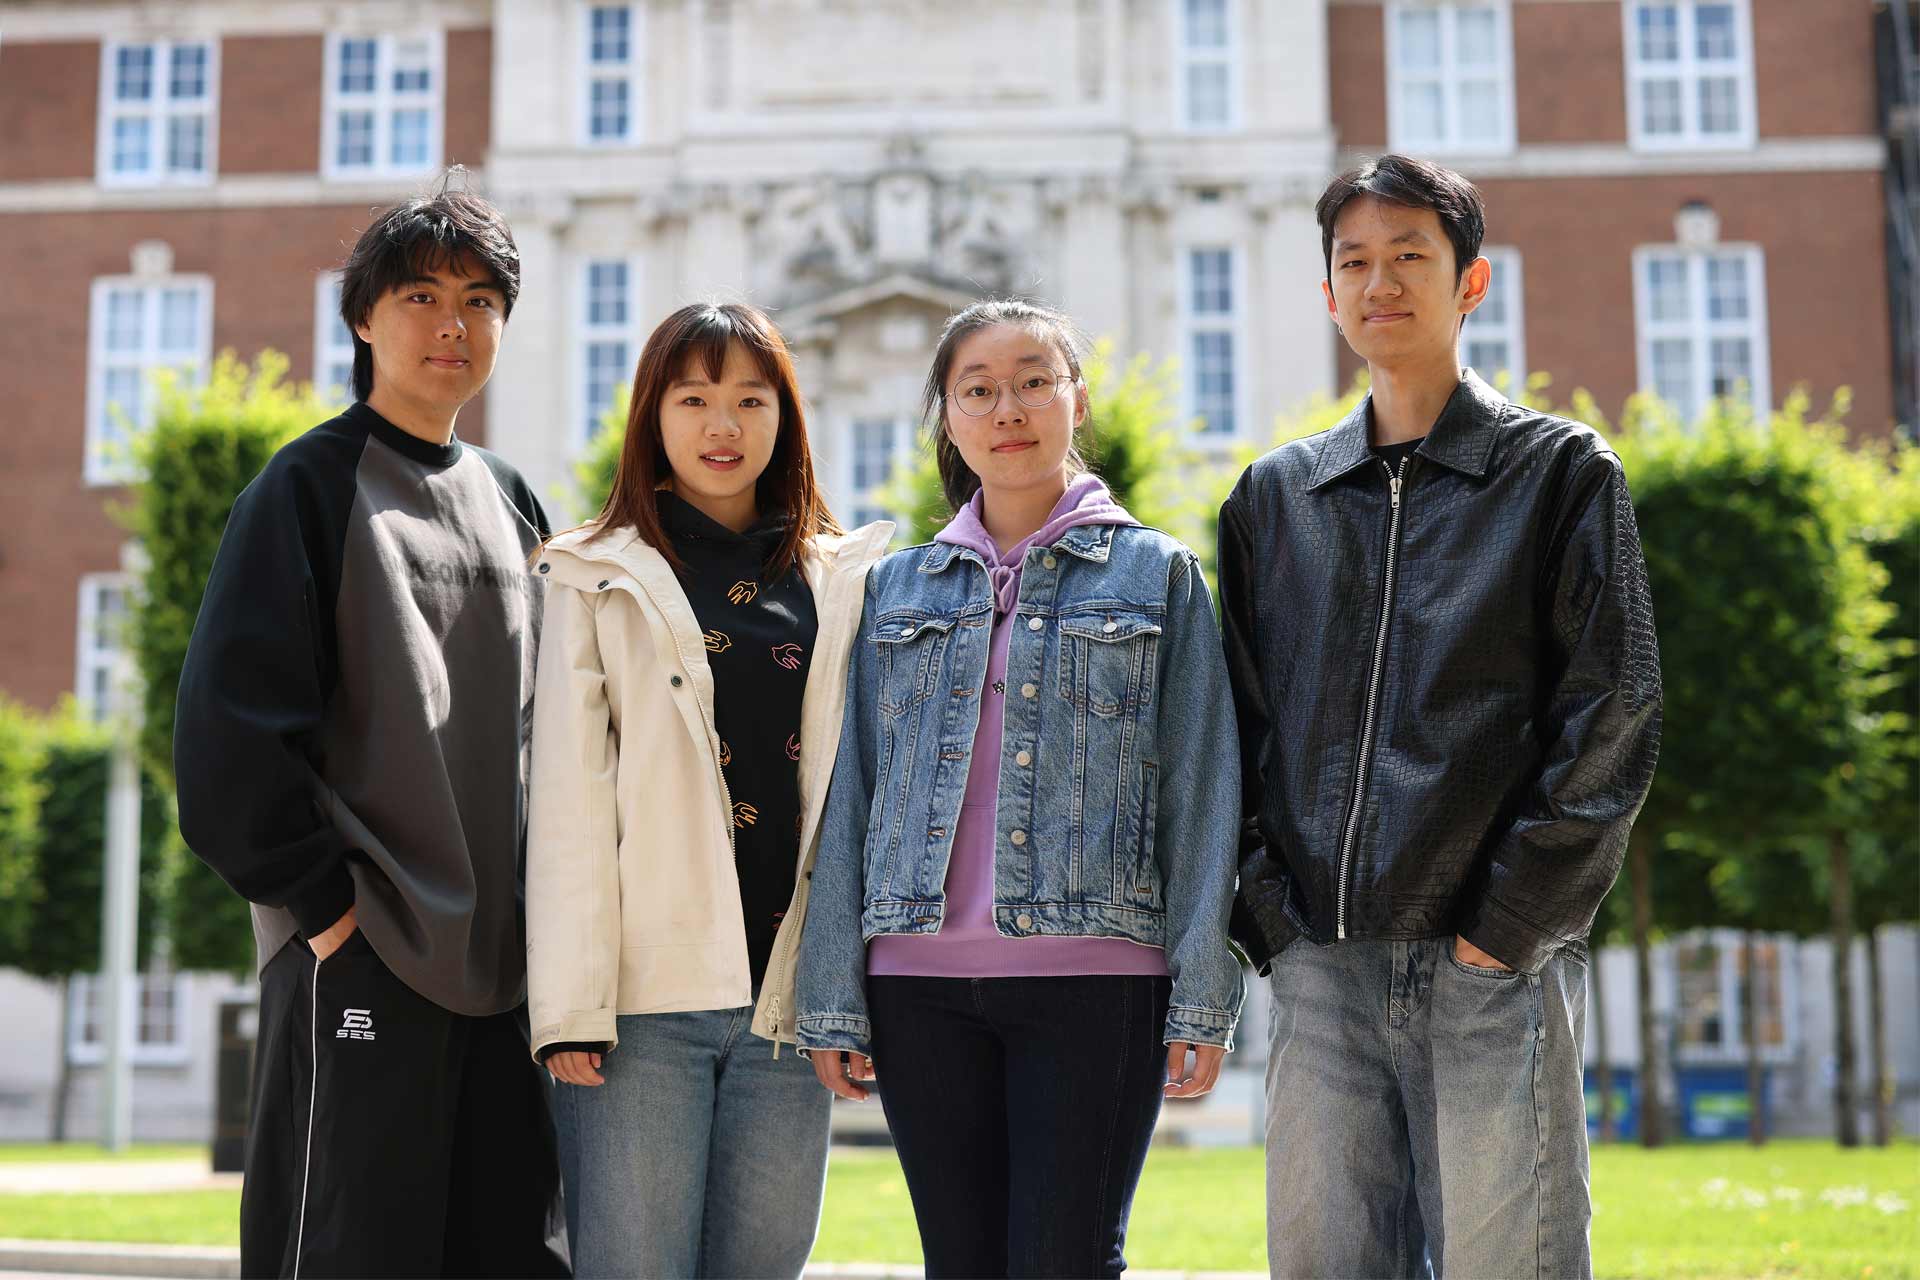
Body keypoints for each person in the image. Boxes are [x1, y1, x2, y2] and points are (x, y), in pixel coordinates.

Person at [1222, 153, 1662, 1279]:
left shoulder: (1558, 472)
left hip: (1490, 961)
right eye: (1354, 262)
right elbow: (1238, 728)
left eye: (1410, 256)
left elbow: (1614, 711)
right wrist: (1275, 918)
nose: (1381, 283)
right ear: (1327, 293)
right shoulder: (1274, 499)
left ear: (1469, 282)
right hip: (1321, 965)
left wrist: (1504, 929)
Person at [795, 298, 1244, 1279]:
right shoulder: (896, 588)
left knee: (1064, 1259)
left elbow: (1208, 789)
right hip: (916, 989)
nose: (1011, 407)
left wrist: (1202, 996)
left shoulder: (1160, 575)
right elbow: (852, 792)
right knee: (960, 1264)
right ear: (947, 419)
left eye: (1036, 380)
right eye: (980, 389)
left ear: (1076, 400)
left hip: (1098, 984)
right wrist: (832, 991)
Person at [174, 178, 569, 1278]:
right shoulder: (304, 486)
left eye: (482, 299)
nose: (454, 323)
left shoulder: (514, 499)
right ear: (362, 316)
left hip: (507, 974)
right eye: (423, 294)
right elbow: (227, 737)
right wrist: (327, 912)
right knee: (350, 1254)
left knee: (508, 1253)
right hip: (363, 950)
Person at [525, 302, 892, 1278]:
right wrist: (567, 1005)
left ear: (786, 416)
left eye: (748, 399)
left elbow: (865, 798)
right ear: (654, 414)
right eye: (693, 398)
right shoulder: (592, 575)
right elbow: (568, 797)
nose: (721, 426)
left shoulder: (844, 580)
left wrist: (849, 993)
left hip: (788, 1006)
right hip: (642, 1011)